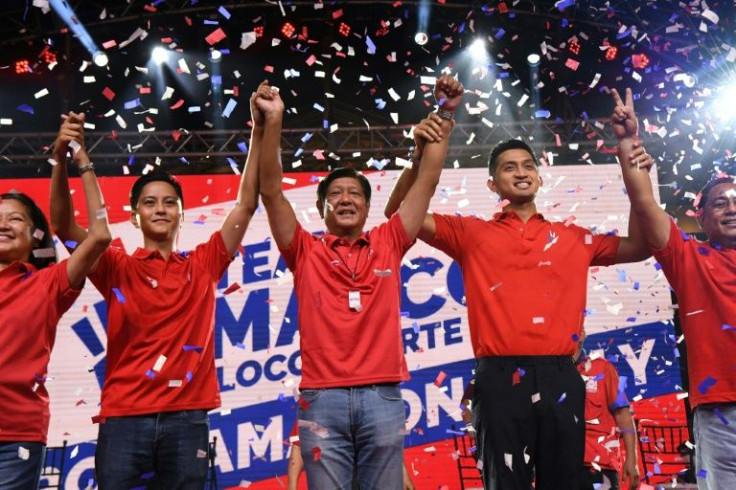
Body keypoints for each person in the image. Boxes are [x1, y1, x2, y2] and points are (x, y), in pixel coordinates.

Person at [384, 117, 651, 489]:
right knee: (505, 483)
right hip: (498, 377)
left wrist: (637, 173)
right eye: (509, 167)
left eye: (528, 166)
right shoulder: (469, 233)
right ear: (493, 184)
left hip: (561, 374)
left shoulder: (573, 238)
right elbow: (398, 217)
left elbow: (640, 245)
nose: (521, 173)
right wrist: (417, 158)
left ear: (540, 179)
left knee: (565, 483)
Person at [49, 83, 265, 488]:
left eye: (169, 202)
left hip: (187, 420)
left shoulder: (204, 264)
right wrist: (63, 162)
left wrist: (257, 129)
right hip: (125, 418)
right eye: (150, 202)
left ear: (182, 215)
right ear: (135, 217)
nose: (161, 208)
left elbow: (246, 204)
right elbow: (62, 226)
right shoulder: (114, 265)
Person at [256, 74, 463, 489]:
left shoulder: (390, 239)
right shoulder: (303, 250)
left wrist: (444, 112)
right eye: (336, 194)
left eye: (355, 193)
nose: (346, 198)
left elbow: (428, 179)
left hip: (382, 398)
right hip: (321, 399)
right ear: (321, 208)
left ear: (368, 206)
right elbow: (271, 192)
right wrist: (272, 121)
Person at [611, 87, 736, 490]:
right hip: (720, 413)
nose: (732, 207)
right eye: (720, 203)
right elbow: (645, 204)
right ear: (698, 216)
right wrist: (630, 142)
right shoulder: (690, 259)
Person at [0, 113, 111, 488]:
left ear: (36, 238)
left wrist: (73, 160)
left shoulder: (47, 283)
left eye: (14, 219)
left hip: (15, 436)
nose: (3, 224)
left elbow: (99, 235)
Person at [574, 331, 640, 490]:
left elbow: (623, 414)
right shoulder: (551, 374)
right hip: (560, 467)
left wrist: (633, 460)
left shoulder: (604, 368)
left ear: (583, 334)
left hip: (599, 467)